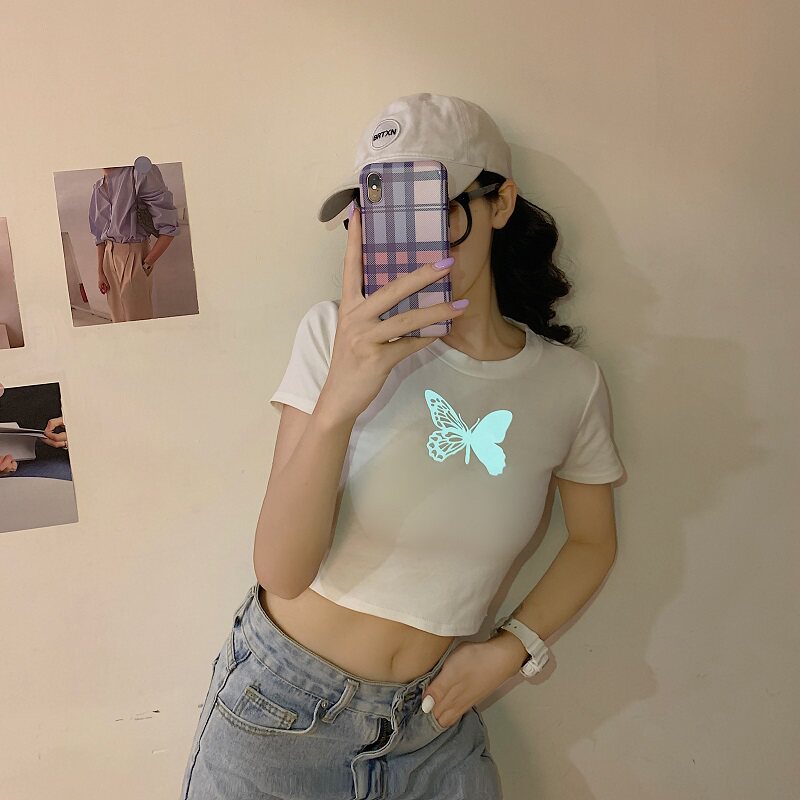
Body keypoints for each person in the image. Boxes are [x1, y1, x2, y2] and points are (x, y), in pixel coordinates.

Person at [180, 93, 625, 799]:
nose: (407, 243)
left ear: (500, 203)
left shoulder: (568, 384)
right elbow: (280, 571)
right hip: (282, 712)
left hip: (433, 731)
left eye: (431, 210)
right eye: (381, 214)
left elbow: (592, 540)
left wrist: (510, 650)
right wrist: (340, 400)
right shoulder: (332, 337)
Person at [89, 163, 179, 322]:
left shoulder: (139, 172)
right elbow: (98, 235)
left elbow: (169, 227)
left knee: (138, 318)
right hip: (108, 257)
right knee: (117, 316)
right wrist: (100, 271)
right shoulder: (98, 187)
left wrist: (146, 264)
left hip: (134, 255)